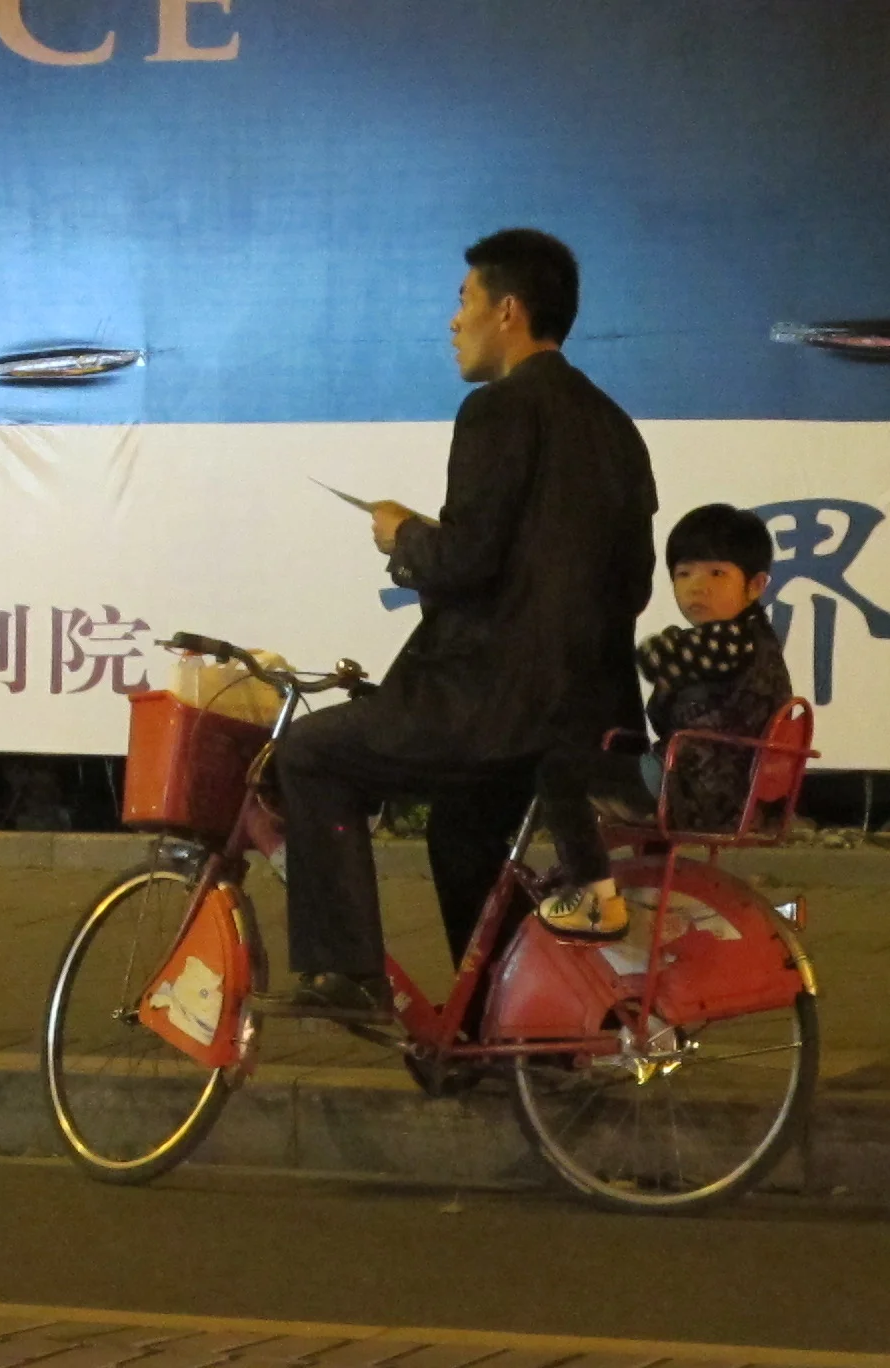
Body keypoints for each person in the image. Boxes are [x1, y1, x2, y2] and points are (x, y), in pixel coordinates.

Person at [270, 228, 658, 1018]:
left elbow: (469, 562)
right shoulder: (614, 426)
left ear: (507, 311)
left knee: (308, 754)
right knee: (461, 836)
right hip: (580, 717)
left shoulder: (497, 410)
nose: (454, 322)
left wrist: (404, 538)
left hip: (492, 704)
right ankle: (506, 1036)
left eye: (463, 302)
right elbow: (632, 581)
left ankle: (345, 972)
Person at [534, 504, 793, 939]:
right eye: (684, 574)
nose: (697, 588)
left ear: (756, 586)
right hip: (724, 789)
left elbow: (656, 656)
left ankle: (595, 898)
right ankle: (631, 895)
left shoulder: (732, 640)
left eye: (716, 574)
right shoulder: (756, 641)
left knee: (558, 773)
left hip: (695, 790)